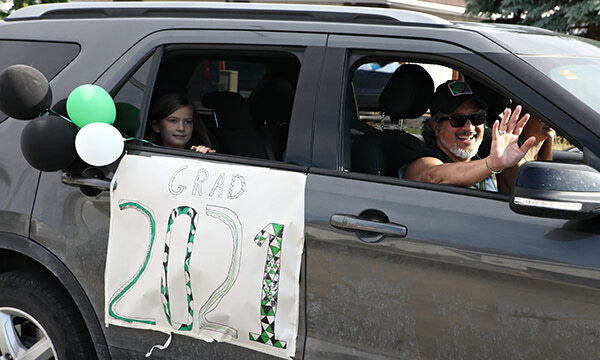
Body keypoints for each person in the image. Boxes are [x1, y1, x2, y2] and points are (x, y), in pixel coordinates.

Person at [402, 80, 535, 191]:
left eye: (477, 118)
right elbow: (434, 176)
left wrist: (511, 162)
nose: (469, 127)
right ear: (436, 127)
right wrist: (491, 164)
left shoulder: (482, 163)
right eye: (457, 119)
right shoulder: (422, 164)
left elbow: (520, 198)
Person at [496, 111, 555, 193]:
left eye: (553, 116)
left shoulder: (538, 158)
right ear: (521, 118)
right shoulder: (511, 159)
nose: (549, 120)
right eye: (541, 116)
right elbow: (538, 193)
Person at [147, 93, 215, 153]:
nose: (181, 128)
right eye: (173, 121)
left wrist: (206, 157)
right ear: (156, 126)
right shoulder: (146, 156)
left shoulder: (197, 152)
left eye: (187, 122)